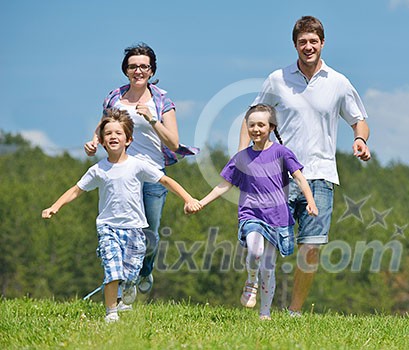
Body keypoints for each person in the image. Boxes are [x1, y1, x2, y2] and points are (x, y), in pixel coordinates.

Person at [239, 16, 371, 316]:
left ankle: (295, 312)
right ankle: (262, 303)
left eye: (313, 41)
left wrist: (360, 140)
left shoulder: (338, 82)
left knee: (310, 247)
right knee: (266, 243)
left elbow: (358, 119)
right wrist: (244, 158)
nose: (308, 47)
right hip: (277, 175)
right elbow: (254, 116)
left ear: (322, 43)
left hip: (321, 176)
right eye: (302, 42)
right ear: (295, 45)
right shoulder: (277, 79)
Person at [43, 109, 201, 323]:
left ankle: (127, 288)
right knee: (112, 270)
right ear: (101, 141)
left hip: (135, 228)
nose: (113, 137)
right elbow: (76, 189)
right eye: (108, 134)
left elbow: (165, 181)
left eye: (118, 133)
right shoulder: (98, 170)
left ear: (128, 139)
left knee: (130, 273)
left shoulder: (137, 165)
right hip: (108, 228)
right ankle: (111, 313)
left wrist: (188, 198)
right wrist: (55, 206)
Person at [84, 43, 196, 298]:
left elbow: (174, 143)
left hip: (153, 172)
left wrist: (152, 119)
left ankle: (144, 270)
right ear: (126, 70)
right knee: (122, 229)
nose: (138, 71)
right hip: (121, 172)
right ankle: (125, 282)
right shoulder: (114, 98)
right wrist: (93, 142)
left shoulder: (162, 100)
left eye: (143, 66)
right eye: (133, 66)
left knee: (150, 233)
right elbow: (103, 126)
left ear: (151, 70)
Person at [191, 104, 318, 320]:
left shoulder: (281, 152)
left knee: (268, 266)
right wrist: (202, 202)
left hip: (277, 217)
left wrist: (310, 201)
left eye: (261, 125)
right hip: (251, 214)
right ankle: (251, 279)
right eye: (252, 125)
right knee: (255, 251)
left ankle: (265, 313)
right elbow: (224, 185)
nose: (256, 129)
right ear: (247, 127)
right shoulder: (242, 158)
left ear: (271, 127)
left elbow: (299, 177)